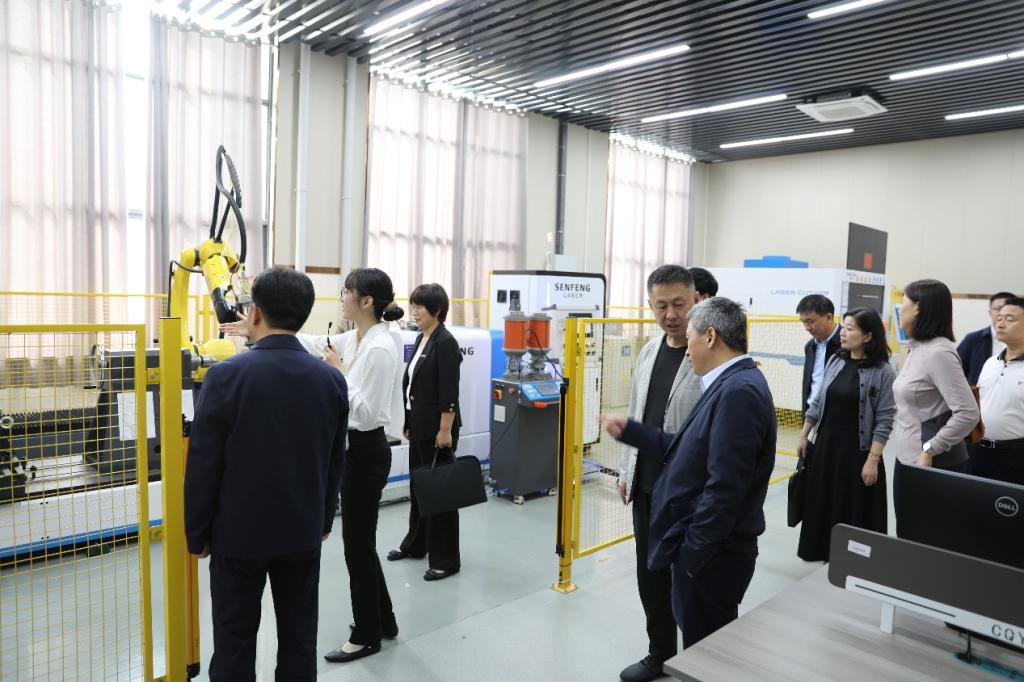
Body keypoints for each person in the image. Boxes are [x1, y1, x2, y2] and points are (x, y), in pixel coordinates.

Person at [221, 267, 406, 662]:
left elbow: (367, 412)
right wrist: (263, 330)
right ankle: (385, 619)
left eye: (347, 291)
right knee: (361, 543)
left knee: (357, 546)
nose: (342, 297)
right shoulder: (356, 337)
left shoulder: (380, 348)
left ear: (366, 301)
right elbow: (313, 342)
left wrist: (338, 374)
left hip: (367, 450)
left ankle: (367, 634)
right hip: (354, 450)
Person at [185, 267, 349, 681]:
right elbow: (334, 459)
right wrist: (323, 521)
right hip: (302, 531)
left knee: (234, 640)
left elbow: (204, 465)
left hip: (237, 536)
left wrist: (197, 534)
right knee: (299, 637)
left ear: (255, 312)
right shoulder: (331, 380)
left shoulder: (225, 377)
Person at [602, 297, 777, 650]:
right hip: (710, 553)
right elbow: (691, 449)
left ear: (710, 337)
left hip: (712, 557)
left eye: (690, 339)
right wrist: (633, 432)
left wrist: (692, 556)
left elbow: (724, 488)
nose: (686, 351)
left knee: (705, 652)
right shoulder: (728, 384)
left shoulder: (738, 392)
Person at [616, 266, 702, 682]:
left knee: (691, 580)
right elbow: (636, 413)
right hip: (647, 486)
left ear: (696, 301)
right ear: (650, 305)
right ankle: (660, 652)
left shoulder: (707, 356)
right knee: (650, 574)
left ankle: (700, 660)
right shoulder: (650, 350)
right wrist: (626, 471)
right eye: (661, 305)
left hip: (688, 494)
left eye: (678, 304)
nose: (670, 314)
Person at [795, 308, 895, 562]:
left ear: (868, 336)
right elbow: (817, 402)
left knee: (851, 504)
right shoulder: (836, 361)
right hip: (827, 446)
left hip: (857, 452)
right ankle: (821, 550)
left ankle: (849, 560)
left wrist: (873, 459)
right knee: (823, 499)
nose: (843, 333)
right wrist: (804, 435)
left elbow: (885, 419)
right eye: (844, 327)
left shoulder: (882, 371)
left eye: (850, 329)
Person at [386, 283, 463, 582]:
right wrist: (408, 420)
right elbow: (414, 386)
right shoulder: (422, 338)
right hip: (420, 427)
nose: (414, 311)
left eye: (420, 306)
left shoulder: (445, 343)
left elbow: (449, 392)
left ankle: (446, 560)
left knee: (440, 496)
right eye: (413, 305)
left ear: (437, 310)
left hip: (438, 432)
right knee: (419, 489)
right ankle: (416, 545)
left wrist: (445, 430)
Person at [890, 280, 979, 523]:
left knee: (928, 536)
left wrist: (931, 449)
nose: (899, 308)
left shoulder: (939, 352)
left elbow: (968, 413)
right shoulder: (917, 347)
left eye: (903, 302)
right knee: (907, 531)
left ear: (918, 308)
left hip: (933, 463)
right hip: (908, 458)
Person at [975, 297, 1024, 485]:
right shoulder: (990, 363)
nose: (1000, 323)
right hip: (979, 450)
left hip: (1016, 455)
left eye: (1009, 319)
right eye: (999, 318)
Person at [957, 291, 1016, 385]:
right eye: (999, 308)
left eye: (1008, 309)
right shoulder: (973, 339)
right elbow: (955, 371)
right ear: (990, 312)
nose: (1003, 313)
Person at [797, 294, 840, 415]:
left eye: (810, 322)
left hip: (836, 417)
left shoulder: (847, 345)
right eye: (803, 322)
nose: (807, 328)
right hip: (811, 414)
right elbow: (809, 385)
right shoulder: (810, 346)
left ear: (829, 317)